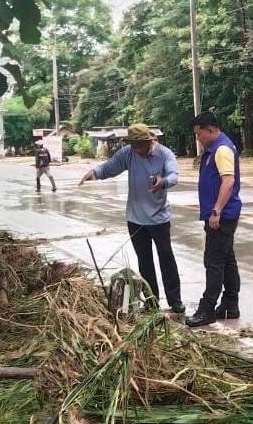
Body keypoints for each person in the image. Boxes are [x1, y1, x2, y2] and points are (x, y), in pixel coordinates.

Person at [77, 124, 183, 314]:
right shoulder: (128, 153)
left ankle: (176, 302)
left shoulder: (165, 154)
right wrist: (94, 173)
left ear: (150, 141)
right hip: (135, 219)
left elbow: (174, 175)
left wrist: (164, 182)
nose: (137, 149)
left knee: (166, 258)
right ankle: (151, 302)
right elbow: (111, 167)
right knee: (144, 262)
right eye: (134, 145)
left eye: (140, 145)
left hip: (159, 219)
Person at [186, 111, 242, 327]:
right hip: (221, 214)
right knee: (227, 260)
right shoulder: (214, 149)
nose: (198, 138)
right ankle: (230, 304)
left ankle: (207, 309)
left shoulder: (222, 149)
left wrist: (216, 211)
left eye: (199, 134)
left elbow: (228, 182)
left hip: (222, 216)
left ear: (210, 130)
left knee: (214, 261)